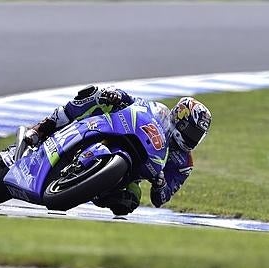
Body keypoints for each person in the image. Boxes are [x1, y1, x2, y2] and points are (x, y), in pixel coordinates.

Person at [16, 85, 212, 216]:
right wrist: (117, 95)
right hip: (117, 132)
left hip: (134, 170)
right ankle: (43, 128)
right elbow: (134, 102)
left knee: (130, 201)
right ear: (181, 119)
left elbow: (161, 198)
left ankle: (93, 187)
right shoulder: (158, 111)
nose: (193, 139)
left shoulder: (183, 164)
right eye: (192, 131)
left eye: (198, 136)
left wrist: (161, 184)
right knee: (94, 94)